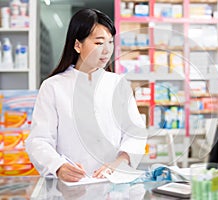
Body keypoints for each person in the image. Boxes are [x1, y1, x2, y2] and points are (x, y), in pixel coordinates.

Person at [25, 8, 147, 182]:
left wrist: (121, 161)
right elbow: (39, 140)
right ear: (77, 45)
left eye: (110, 42)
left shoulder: (118, 84)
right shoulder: (53, 87)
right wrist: (58, 167)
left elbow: (135, 132)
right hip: (71, 186)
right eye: (99, 43)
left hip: (113, 185)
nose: (106, 50)